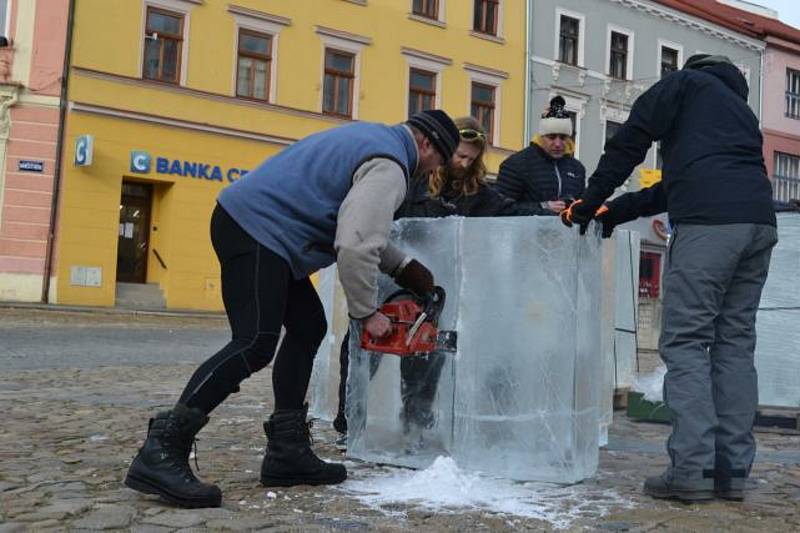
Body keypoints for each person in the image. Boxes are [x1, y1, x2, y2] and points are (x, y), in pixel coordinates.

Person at [124, 110, 461, 508]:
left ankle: (287, 451)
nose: (434, 170)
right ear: (426, 145)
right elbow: (354, 244)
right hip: (258, 230)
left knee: (307, 327)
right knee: (254, 342)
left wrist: (406, 269)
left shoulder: (375, 142)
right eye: (439, 161)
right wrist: (366, 311)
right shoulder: (391, 167)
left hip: (260, 228)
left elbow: (352, 224)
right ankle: (162, 448)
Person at [562, 54, 777, 502]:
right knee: (734, 342)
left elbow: (630, 142)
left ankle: (691, 468)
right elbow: (675, 184)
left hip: (709, 226)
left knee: (686, 341)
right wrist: (614, 212)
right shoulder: (739, 114)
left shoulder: (684, 84)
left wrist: (588, 201)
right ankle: (732, 469)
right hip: (758, 223)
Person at [332, 116, 542, 443]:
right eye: (459, 155)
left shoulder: (478, 194)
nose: (463, 162)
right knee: (365, 345)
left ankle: (416, 419)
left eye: (471, 158)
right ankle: (349, 421)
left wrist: (550, 213)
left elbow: (511, 214)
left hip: (432, 287)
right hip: (391, 276)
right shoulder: (412, 181)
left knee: (426, 353)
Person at [494, 96, 585, 215]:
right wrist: (543, 207)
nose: (558, 144)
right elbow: (500, 208)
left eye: (563, 138)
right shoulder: (516, 164)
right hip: (526, 232)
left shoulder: (577, 169)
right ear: (541, 137)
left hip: (564, 233)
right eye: (551, 137)